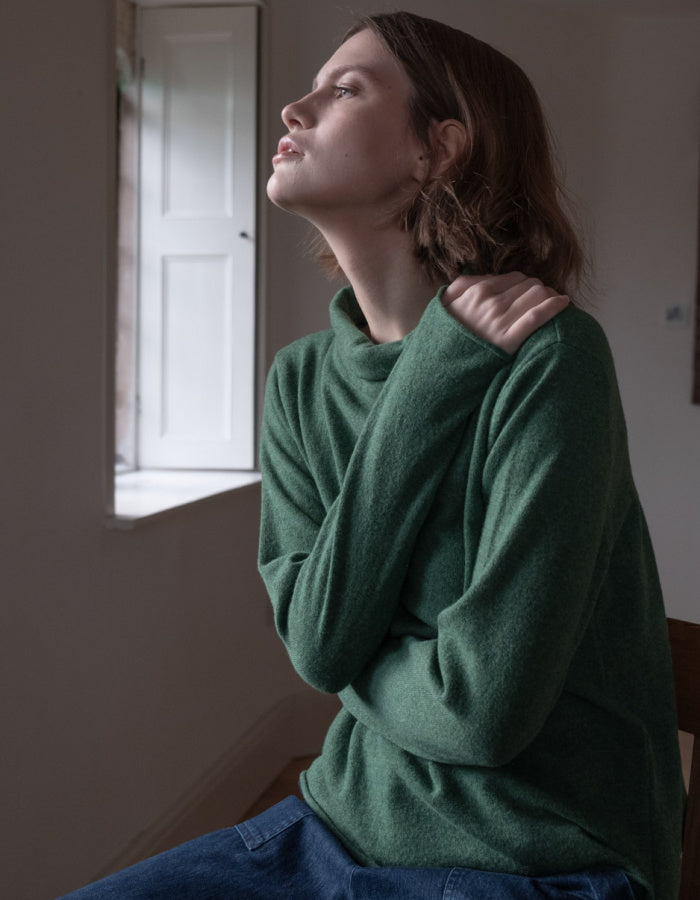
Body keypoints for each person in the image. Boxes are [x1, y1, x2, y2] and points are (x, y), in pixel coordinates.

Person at [60, 11, 685, 900]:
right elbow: (316, 643)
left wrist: (356, 644)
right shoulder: (300, 382)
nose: (293, 108)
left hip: (538, 859)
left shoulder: (549, 361)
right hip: (336, 821)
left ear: (439, 150)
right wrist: (432, 378)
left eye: (345, 88)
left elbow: (479, 714)